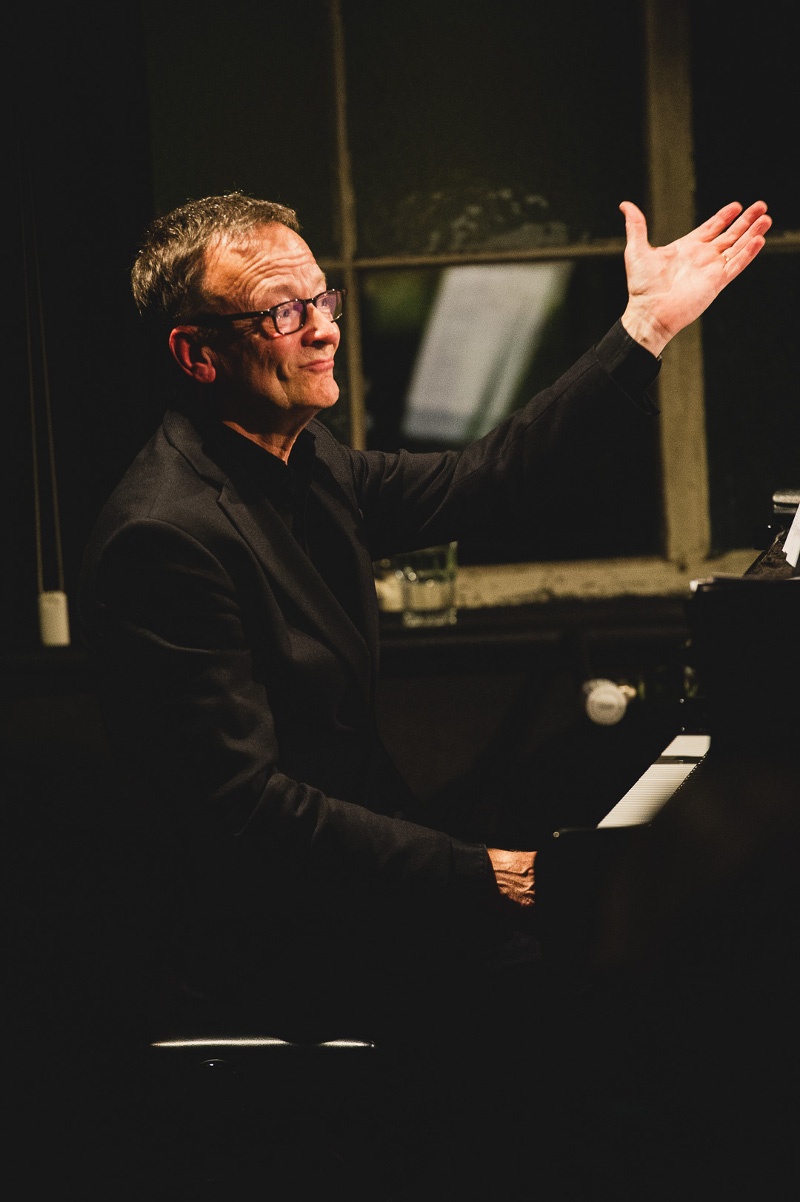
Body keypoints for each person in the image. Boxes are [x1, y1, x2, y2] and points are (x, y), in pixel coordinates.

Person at [77, 191, 770, 1193]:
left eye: (322, 299)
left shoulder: (304, 462)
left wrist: (644, 328)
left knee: (625, 935)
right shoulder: (164, 534)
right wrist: (487, 873)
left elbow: (489, 478)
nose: (323, 327)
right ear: (196, 354)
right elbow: (245, 811)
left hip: (355, 889)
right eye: (282, 312)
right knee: (595, 1000)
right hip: (276, 940)